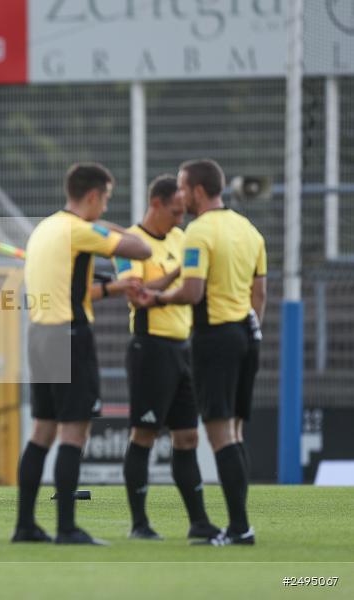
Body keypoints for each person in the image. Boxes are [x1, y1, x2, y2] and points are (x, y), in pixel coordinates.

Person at [14, 162, 151, 544]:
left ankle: (25, 525)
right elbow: (142, 248)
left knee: (42, 431)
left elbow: (73, 285)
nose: (105, 207)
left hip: (40, 335)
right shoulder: (80, 230)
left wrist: (113, 289)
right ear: (92, 196)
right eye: (105, 199)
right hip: (70, 336)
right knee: (75, 431)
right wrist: (112, 230)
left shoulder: (46, 228)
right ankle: (66, 528)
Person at [133, 159, 266, 546]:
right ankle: (240, 525)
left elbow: (193, 293)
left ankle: (240, 528)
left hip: (215, 338)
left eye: (183, 187)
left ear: (197, 191)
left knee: (221, 435)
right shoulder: (248, 230)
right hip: (247, 334)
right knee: (236, 434)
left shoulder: (198, 232)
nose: (180, 195)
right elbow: (260, 294)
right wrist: (251, 328)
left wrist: (156, 300)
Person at [113, 175, 221, 540]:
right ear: (156, 204)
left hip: (182, 349)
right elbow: (134, 293)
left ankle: (199, 523)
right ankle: (139, 525)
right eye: (175, 212)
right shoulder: (131, 243)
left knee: (188, 437)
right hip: (150, 348)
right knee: (144, 434)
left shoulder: (183, 238)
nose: (181, 218)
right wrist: (178, 273)